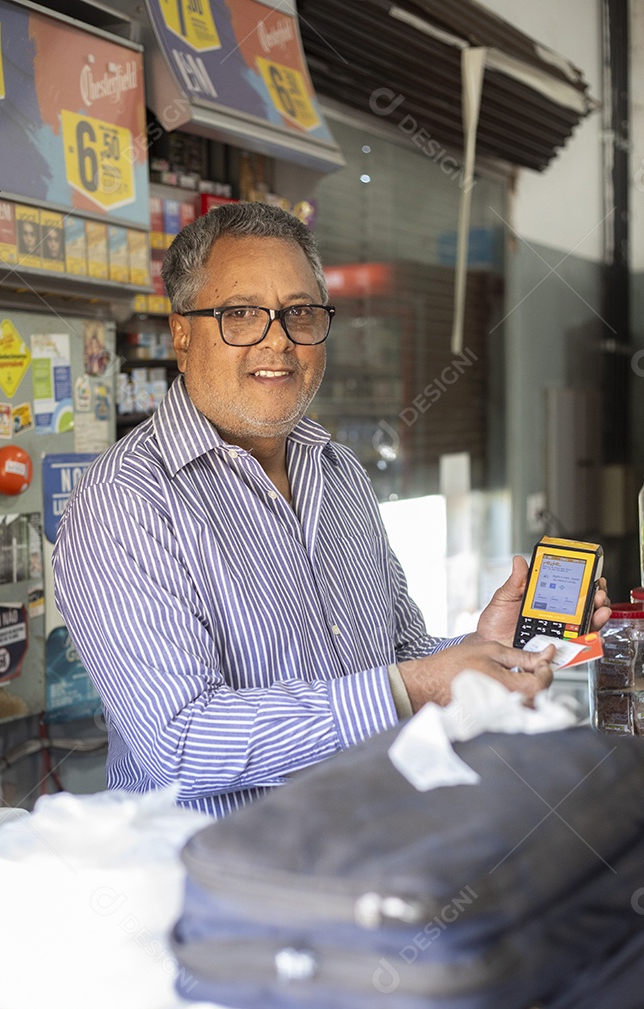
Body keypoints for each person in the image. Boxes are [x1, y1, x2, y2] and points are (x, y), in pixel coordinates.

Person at [52, 202, 610, 817]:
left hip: (376, 840)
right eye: (240, 314)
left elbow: (397, 658)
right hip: (229, 881)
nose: (278, 341)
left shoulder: (339, 473)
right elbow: (178, 743)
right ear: (181, 334)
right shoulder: (124, 500)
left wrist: (483, 647)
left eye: (300, 313)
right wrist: (412, 686)